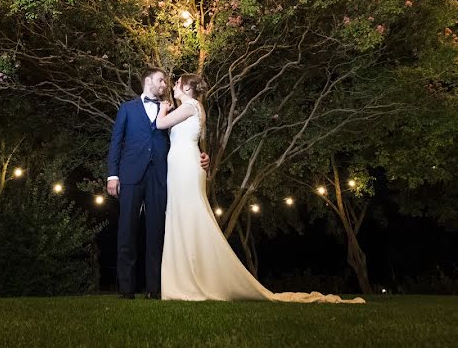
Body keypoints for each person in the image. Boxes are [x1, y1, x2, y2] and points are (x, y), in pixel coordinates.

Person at [156, 73, 365, 304]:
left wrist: (163, 109)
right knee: (184, 217)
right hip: (181, 164)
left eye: (177, 83)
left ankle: (193, 279)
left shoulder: (190, 106)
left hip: (185, 165)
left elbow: (160, 124)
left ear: (186, 87)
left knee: (190, 216)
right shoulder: (191, 107)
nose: (173, 86)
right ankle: (189, 276)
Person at [106, 68, 209, 299]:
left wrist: (203, 154)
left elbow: (188, 135)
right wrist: (112, 175)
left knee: (157, 231)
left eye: (167, 81)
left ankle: (155, 288)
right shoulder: (127, 109)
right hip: (131, 175)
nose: (165, 84)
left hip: (161, 176)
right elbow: (116, 143)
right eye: (161, 80)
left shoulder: (174, 109)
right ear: (148, 80)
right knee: (126, 230)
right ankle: (126, 289)